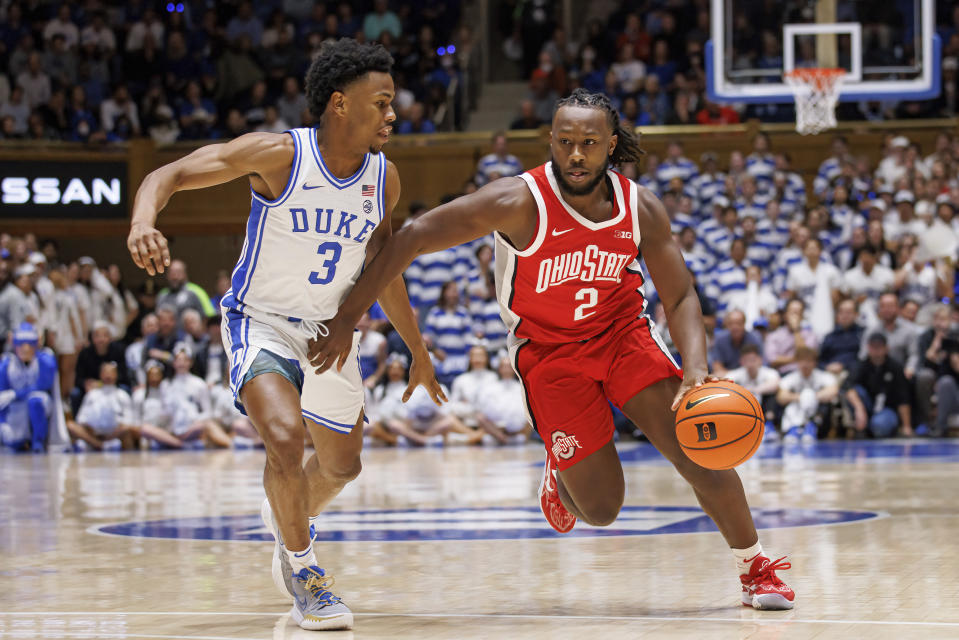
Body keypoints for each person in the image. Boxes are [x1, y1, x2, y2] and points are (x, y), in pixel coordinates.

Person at [310, 88, 795, 610]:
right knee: (603, 509)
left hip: (622, 337)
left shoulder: (641, 208)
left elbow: (679, 294)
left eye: (589, 143)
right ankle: (558, 468)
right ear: (551, 142)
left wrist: (696, 367)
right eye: (565, 142)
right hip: (549, 355)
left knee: (698, 446)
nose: (576, 155)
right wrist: (346, 316)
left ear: (612, 145)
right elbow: (411, 238)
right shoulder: (517, 201)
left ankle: (755, 568)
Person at [126, 39, 441, 632]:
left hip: (329, 332)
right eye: (382, 102)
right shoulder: (278, 155)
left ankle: (287, 519)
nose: (394, 114)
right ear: (340, 105)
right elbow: (167, 173)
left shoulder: (384, 178)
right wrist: (144, 221)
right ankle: (305, 570)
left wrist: (417, 351)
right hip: (261, 320)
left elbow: (384, 272)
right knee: (284, 437)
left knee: (343, 467)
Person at [0, 323, 57, 452]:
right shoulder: (6, 362)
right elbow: (2, 395)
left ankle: (38, 441)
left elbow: (43, 384)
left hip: (39, 404)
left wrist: (16, 394)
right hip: (15, 409)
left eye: (30, 343)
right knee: (11, 440)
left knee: (35, 400)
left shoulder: (45, 358)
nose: (25, 348)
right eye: (21, 343)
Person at [846, 332, 914, 438]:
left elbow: (903, 398)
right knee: (856, 391)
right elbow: (848, 387)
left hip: (887, 409)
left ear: (886, 348)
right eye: (873, 347)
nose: (876, 351)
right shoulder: (861, 366)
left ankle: (874, 428)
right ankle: (862, 427)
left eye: (879, 347)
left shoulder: (895, 367)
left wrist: (907, 426)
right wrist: (859, 409)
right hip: (867, 409)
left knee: (880, 426)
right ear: (868, 348)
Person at [66, 361, 136, 451]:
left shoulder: (122, 395)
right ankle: (99, 444)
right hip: (92, 433)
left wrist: (114, 430)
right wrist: (90, 428)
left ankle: (105, 443)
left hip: (114, 434)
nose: (108, 376)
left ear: (116, 375)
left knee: (126, 429)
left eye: (111, 373)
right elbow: (81, 418)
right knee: (70, 425)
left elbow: (129, 421)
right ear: (100, 375)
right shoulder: (92, 394)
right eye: (105, 373)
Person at [776, 346, 839, 444]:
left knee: (813, 396)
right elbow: (781, 397)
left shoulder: (823, 376)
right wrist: (801, 397)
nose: (805, 365)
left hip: (819, 417)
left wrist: (811, 396)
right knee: (794, 403)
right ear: (797, 362)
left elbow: (833, 391)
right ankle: (795, 428)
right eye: (802, 361)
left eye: (808, 361)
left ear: (815, 363)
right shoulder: (791, 377)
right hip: (797, 412)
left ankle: (811, 426)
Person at [709, 309, 763, 376]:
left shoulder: (754, 338)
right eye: (731, 323)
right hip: (727, 378)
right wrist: (735, 376)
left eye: (738, 323)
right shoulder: (719, 339)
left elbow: (759, 364)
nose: (735, 327)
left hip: (750, 377)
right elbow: (717, 367)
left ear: (744, 324)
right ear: (727, 325)